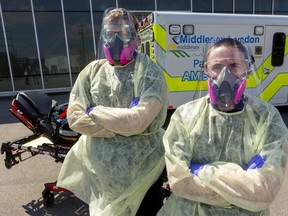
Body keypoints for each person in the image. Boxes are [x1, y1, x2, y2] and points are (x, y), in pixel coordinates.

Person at [157, 38, 288, 215]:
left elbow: (265, 191)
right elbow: (179, 183)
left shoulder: (267, 118)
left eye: (234, 66)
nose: (225, 74)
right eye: (217, 67)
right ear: (206, 70)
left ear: (247, 69)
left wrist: (201, 170)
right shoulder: (184, 116)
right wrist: (244, 185)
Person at [56, 8, 168, 216]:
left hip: (145, 173)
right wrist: (121, 123)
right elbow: (75, 119)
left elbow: (138, 121)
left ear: (136, 38)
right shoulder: (91, 72)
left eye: (123, 34)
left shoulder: (150, 72)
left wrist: (94, 111)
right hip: (101, 175)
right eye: (110, 34)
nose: (116, 40)